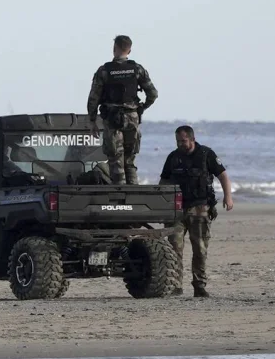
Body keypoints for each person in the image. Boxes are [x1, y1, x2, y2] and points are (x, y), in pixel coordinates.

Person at [159, 125, 234, 297]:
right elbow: (163, 182)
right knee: (174, 248)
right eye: (177, 141)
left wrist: (228, 197)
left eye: (183, 141)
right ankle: (175, 285)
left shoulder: (206, 155)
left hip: (199, 208)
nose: (180, 144)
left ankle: (199, 285)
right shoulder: (173, 157)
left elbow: (223, 176)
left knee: (200, 250)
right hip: (176, 210)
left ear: (192, 139)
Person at [86, 35, 158, 184]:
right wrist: (141, 108)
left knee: (115, 160)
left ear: (114, 49)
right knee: (130, 161)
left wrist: (92, 120)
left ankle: (120, 200)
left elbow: (94, 97)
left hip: (113, 119)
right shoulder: (137, 69)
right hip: (132, 118)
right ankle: (134, 197)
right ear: (129, 50)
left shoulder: (104, 71)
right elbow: (153, 93)